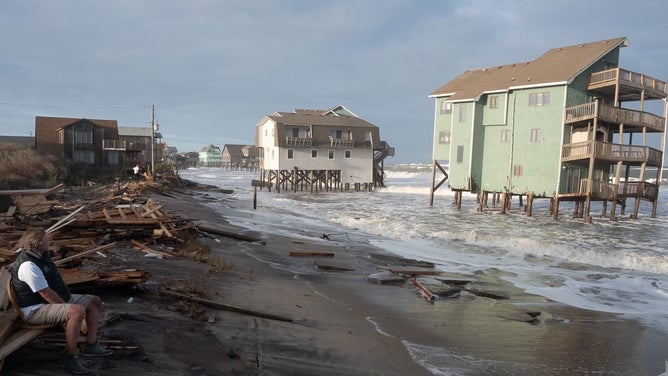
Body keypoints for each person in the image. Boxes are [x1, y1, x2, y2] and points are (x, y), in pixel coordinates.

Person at [9, 227, 113, 375]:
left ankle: (91, 344)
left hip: (51, 301)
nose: (49, 241)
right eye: (46, 239)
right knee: (76, 311)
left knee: (94, 301)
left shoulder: (42, 256)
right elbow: (46, 293)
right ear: (37, 243)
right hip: (35, 309)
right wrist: (69, 307)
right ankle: (70, 357)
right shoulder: (28, 265)